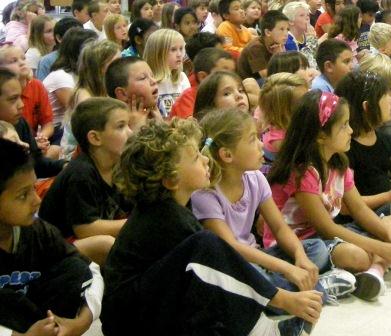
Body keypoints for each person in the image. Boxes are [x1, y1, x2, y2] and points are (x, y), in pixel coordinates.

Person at [101, 117, 322, 336]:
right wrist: (281, 298)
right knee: (208, 249)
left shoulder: (171, 208)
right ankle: (267, 330)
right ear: (171, 180)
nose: (206, 160)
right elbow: (221, 256)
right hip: (129, 322)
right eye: (196, 157)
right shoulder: (164, 216)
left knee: (207, 274)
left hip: (149, 308)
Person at [192, 107, 357, 304]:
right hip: (233, 266)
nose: (261, 144)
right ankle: (312, 290)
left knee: (316, 249)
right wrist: (286, 268)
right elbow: (232, 247)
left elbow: (279, 227)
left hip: (259, 256)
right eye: (253, 139)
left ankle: (297, 289)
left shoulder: (255, 179)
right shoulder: (205, 194)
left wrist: (299, 256)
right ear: (227, 154)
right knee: (254, 277)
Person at [268, 90, 391, 301]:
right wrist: (380, 246)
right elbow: (327, 227)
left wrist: (387, 238)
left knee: (387, 224)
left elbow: (359, 209)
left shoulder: (339, 163)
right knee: (358, 255)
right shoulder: (303, 172)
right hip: (301, 244)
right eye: (344, 125)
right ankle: (332, 278)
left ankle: (374, 272)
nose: (351, 131)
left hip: (328, 237)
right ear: (320, 135)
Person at [0, 138, 103, 336]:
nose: (36, 200)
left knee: (73, 269)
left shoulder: (37, 231)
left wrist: (82, 321)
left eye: (33, 189)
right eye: (23, 195)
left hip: (38, 324)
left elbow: (91, 270)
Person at [39, 98, 132, 266]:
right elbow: (86, 229)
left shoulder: (118, 166)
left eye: (128, 125)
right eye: (121, 126)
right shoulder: (81, 173)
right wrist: (137, 223)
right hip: (55, 249)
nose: (130, 133)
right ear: (95, 138)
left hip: (82, 242)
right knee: (105, 244)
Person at [335, 71, 391, 214]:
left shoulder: (384, 138)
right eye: (386, 96)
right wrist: (388, 197)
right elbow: (344, 207)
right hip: (360, 219)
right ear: (367, 106)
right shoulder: (344, 149)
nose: (390, 100)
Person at [61, 40, 121, 161]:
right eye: (116, 63)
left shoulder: (110, 88)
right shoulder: (83, 95)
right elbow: (94, 135)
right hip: (76, 155)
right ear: (99, 68)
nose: (121, 67)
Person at [0, 68, 65, 178]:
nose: (21, 105)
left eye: (20, 97)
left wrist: (65, 165)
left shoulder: (20, 123)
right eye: (13, 99)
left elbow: (37, 164)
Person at [43, 28, 98, 145]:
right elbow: (80, 112)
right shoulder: (62, 76)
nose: (97, 52)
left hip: (67, 126)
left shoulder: (80, 74)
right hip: (56, 130)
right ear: (79, 52)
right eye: (93, 47)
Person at [0, 44, 55, 156]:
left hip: (31, 139)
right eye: (13, 61)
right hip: (11, 141)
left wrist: (41, 138)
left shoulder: (37, 86)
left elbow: (48, 123)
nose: (21, 62)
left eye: (23, 58)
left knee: (55, 151)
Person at [171, 47, 235, 119]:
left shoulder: (232, 94)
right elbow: (190, 127)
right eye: (224, 73)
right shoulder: (188, 97)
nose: (231, 77)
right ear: (203, 77)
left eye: (233, 72)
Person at [259, 73, 308, 163]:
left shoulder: (296, 124)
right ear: (284, 112)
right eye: (304, 101)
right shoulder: (280, 142)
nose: (311, 102)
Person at [105, 56, 161, 132]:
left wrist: (162, 126)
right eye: (143, 78)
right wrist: (135, 131)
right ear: (122, 94)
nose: (154, 81)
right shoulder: (111, 127)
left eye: (152, 76)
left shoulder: (155, 114)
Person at [144, 29, 191, 118]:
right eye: (173, 49)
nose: (179, 54)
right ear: (157, 53)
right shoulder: (146, 83)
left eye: (181, 49)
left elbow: (189, 113)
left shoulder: (182, 77)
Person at [237, 10, 289, 80]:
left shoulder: (277, 44)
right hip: (252, 83)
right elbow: (266, 76)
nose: (286, 34)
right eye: (281, 29)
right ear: (268, 32)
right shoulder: (256, 47)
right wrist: (278, 57)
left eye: (287, 29)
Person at [36, 17, 83, 82]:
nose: (77, 40)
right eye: (72, 37)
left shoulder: (86, 56)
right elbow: (42, 88)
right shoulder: (47, 62)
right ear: (59, 38)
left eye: (80, 36)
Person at [283, 1, 319, 69]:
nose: (307, 18)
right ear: (290, 21)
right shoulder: (288, 42)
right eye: (302, 15)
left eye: (308, 15)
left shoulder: (305, 35)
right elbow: (302, 65)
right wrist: (311, 38)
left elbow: (315, 58)